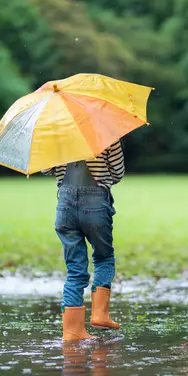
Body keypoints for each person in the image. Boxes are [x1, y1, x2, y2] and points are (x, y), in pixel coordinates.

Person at [42, 140, 125, 340]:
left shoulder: (58, 134)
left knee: (75, 269)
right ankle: (100, 314)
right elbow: (118, 172)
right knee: (104, 257)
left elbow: (46, 169)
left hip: (65, 207)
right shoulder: (106, 134)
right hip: (96, 204)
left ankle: (72, 330)